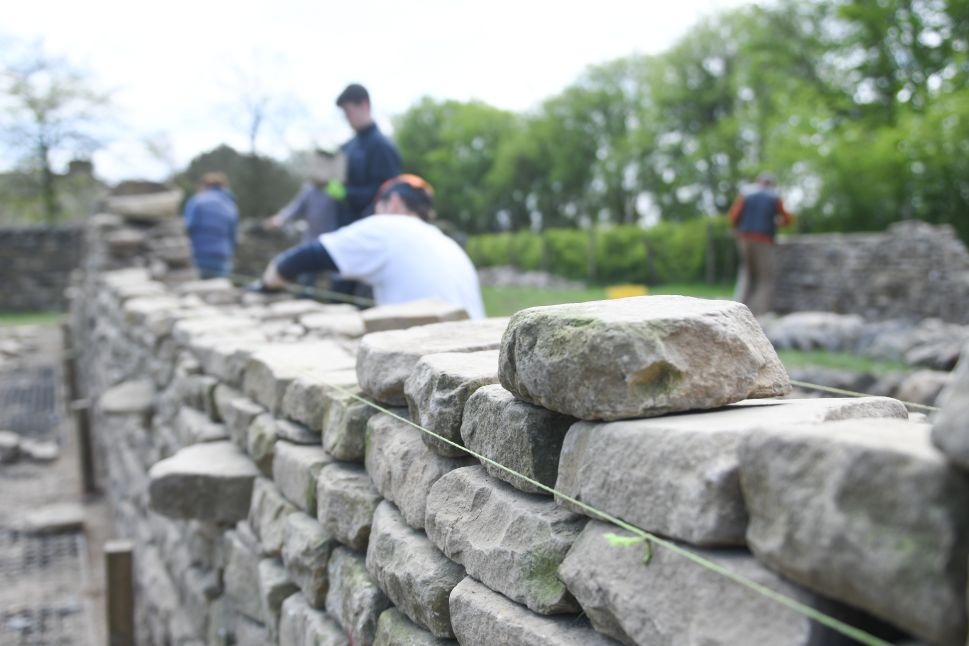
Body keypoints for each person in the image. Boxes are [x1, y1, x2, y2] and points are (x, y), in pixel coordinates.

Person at [254, 174, 485, 319]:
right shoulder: (449, 244)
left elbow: (303, 258)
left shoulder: (387, 226)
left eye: (378, 207)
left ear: (393, 202)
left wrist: (267, 284)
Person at [265, 151, 343, 288]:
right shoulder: (308, 189)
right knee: (306, 280)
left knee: (334, 280)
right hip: (311, 240)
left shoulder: (336, 189)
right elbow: (295, 208)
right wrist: (281, 218)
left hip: (333, 242)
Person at [727, 172, 794, 316]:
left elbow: (733, 216)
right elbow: (787, 218)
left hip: (744, 238)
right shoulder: (774, 196)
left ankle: (736, 311)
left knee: (747, 275)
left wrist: (738, 229)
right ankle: (758, 314)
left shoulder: (746, 193)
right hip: (763, 239)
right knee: (765, 278)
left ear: (758, 181)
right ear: (771, 183)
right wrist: (777, 223)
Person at [183, 171, 239, 279]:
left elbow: (187, 227)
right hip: (222, 258)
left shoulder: (197, 201)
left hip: (198, 256)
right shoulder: (231, 206)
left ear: (204, 186)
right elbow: (233, 237)